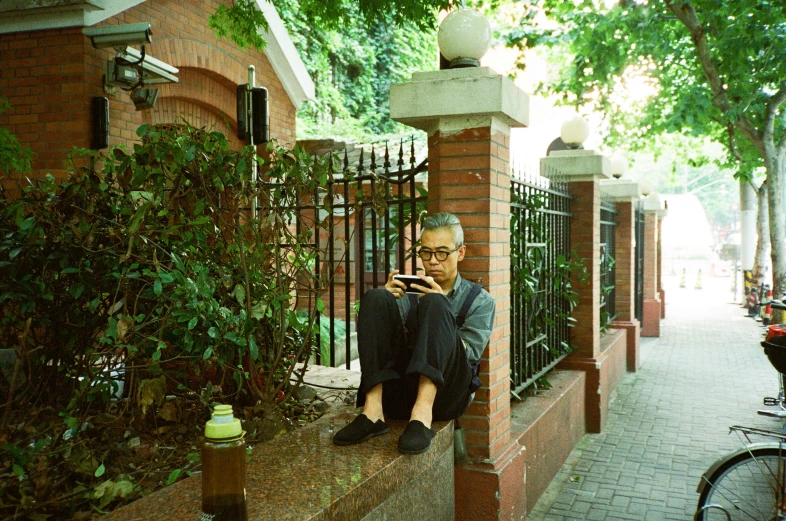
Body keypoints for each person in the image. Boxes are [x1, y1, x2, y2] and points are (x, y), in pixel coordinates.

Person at [332, 212, 495, 454]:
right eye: (426, 253)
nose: (433, 261)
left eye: (442, 253)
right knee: (376, 298)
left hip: (445, 398)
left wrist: (440, 310)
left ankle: (421, 415)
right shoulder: (409, 293)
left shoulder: (480, 301)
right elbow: (386, 342)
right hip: (400, 393)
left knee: (436, 304)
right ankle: (373, 412)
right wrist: (388, 301)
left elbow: (469, 354)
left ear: (460, 253)